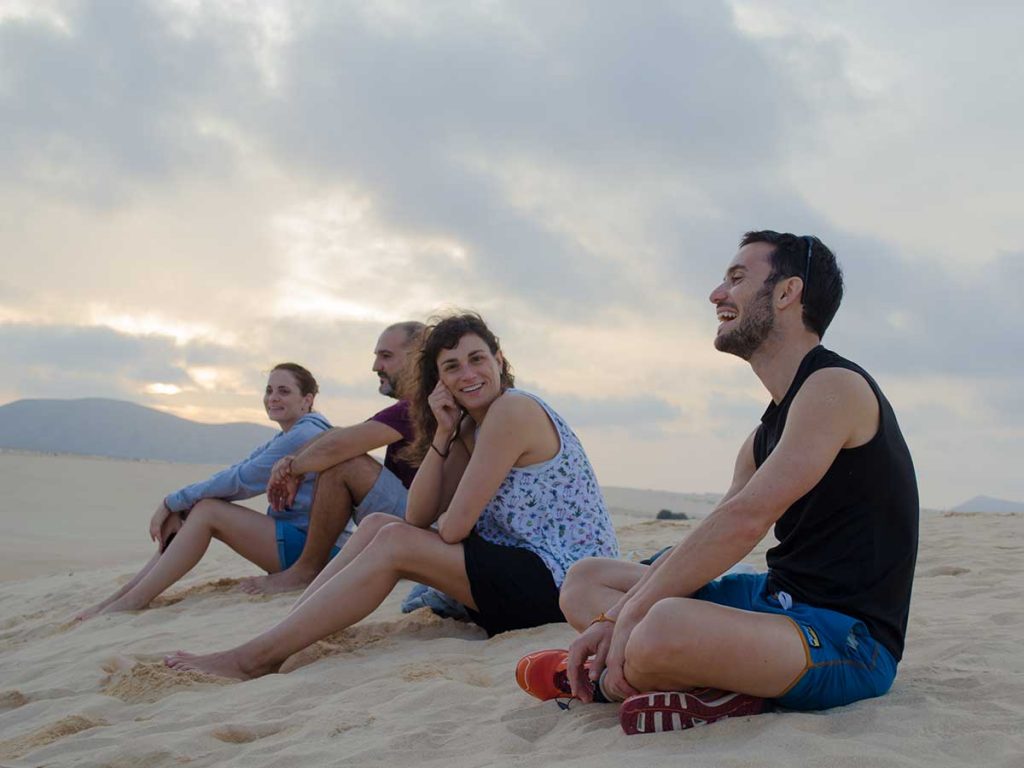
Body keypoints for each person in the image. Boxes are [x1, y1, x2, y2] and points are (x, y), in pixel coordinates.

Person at [517, 231, 919, 735]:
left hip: (847, 639)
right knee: (585, 581)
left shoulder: (835, 387)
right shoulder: (763, 434)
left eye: (736, 278)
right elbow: (717, 529)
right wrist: (613, 615)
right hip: (778, 602)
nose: (715, 294)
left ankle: (625, 678)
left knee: (657, 627)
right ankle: (704, 681)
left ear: (786, 293)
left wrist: (629, 616)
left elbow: (746, 519)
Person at [164, 312, 619, 679]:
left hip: (560, 583)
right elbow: (420, 515)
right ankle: (281, 635)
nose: (469, 374)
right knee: (382, 525)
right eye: (451, 367)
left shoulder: (511, 410)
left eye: (478, 359)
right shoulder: (472, 425)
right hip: (522, 572)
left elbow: (455, 526)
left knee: (395, 541)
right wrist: (444, 433)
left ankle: (254, 658)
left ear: (499, 360)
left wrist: (454, 440)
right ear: (437, 381)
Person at [75, 363, 332, 619]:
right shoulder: (290, 435)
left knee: (208, 510)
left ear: (306, 400)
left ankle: (132, 600)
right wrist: (180, 505)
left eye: (284, 391)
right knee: (198, 506)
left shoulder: (305, 434)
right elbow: (239, 469)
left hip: (315, 554)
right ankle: (122, 597)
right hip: (297, 544)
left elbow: (241, 480)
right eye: (269, 390)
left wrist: (170, 502)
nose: (273, 398)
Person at [239, 321, 425, 595]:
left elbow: (340, 446)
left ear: (418, 358)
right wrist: (293, 458)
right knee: (340, 452)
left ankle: (306, 571)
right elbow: (341, 435)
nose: (375, 366)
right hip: (416, 518)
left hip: (428, 527)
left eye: (386, 356)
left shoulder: (418, 406)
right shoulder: (409, 407)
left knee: (343, 463)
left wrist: (292, 469)